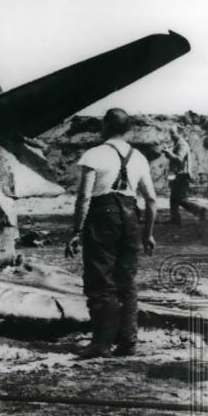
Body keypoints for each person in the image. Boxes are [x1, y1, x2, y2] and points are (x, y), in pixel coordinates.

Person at [65, 108, 157, 359]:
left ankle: (102, 343)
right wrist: (148, 234)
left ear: (105, 126)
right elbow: (150, 200)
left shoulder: (94, 154)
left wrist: (76, 231)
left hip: (102, 217)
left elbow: (84, 197)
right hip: (131, 218)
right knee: (127, 282)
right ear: (127, 129)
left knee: (100, 279)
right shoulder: (138, 157)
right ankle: (128, 341)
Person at [162, 126, 206, 223]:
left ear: (179, 133)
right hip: (178, 174)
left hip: (181, 175)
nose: (171, 136)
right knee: (176, 198)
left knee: (177, 198)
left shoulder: (182, 144)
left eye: (173, 133)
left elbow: (179, 159)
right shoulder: (177, 144)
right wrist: (167, 153)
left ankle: (197, 210)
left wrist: (168, 152)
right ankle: (177, 218)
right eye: (170, 133)